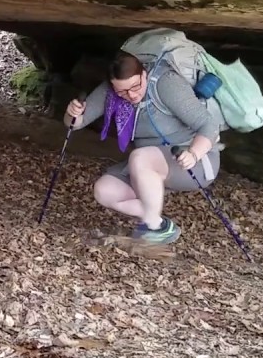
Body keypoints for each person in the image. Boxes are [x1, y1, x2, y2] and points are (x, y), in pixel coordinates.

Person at [63, 49, 221, 247]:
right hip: (146, 167)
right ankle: (161, 223)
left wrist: (194, 153)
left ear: (144, 74)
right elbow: (76, 123)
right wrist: (72, 114)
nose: (131, 95)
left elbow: (209, 126)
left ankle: (154, 228)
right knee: (104, 191)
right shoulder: (112, 91)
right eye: (122, 92)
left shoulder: (165, 83)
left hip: (190, 161)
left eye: (136, 86)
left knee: (140, 157)